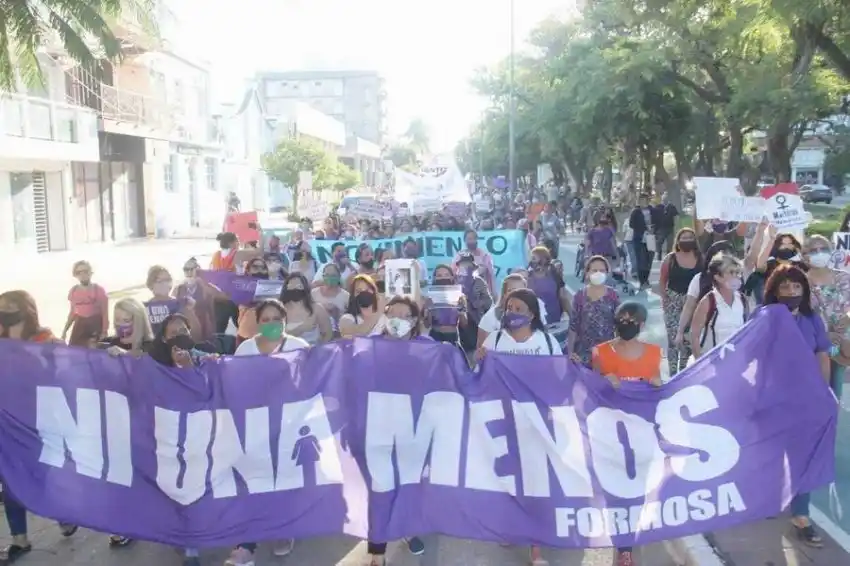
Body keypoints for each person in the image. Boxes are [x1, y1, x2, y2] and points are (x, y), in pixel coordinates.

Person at [0, 290, 79, 563]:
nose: (3, 313)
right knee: (10, 478)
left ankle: (63, 515)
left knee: (45, 475)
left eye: (9, 308)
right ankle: (19, 539)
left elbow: (62, 372)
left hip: (39, 421)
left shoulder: (45, 339)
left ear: (26, 310)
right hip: (7, 423)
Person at [761, 264, 831, 546]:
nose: (791, 291)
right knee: (774, 454)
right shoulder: (764, 318)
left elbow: (823, 354)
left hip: (806, 399)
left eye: (797, 286)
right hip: (773, 399)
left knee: (803, 456)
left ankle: (800, 515)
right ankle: (769, 499)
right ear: (774, 291)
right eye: (785, 287)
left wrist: (824, 392)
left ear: (804, 290)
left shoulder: (813, 319)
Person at [591, 300, 662, 566]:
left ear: (642, 325)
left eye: (632, 320)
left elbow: (659, 389)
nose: (626, 323)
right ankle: (623, 545)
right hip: (610, 434)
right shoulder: (600, 352)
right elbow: (590, 392)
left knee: (638, 490)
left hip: (642, 434)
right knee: (615, 491)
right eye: (622, 317)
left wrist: (657, 384)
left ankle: (629, 538)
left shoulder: (654, 353)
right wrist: (602, 382)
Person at [804, 234, 850, 397]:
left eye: (823, 249)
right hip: (814, 343)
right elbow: (801, 314)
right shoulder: (801, 282)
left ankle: (833, 421)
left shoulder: (844, 277)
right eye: (813, 250)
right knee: (815, 391)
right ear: (805, 256)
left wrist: (847, 319)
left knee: (835, 391)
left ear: (831, 251)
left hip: (842, 341)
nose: (819, 253)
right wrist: (824, 335)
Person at [672, 240, 735, 350]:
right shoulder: (699, 280)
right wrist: (680, 332)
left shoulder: (738, 281)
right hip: (707, 343)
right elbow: (689, 307)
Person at [658, 229, 703, 374]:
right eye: (684, 238)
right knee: (673, 339)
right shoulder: (670, 259)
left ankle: (683, 371)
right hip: (673, 301)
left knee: (688, 338)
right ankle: (672, 371)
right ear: (677, 241)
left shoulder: (700, 259)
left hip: (693, 302)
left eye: (690, 237)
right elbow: (662, 280)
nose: (687, 240)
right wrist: (665, 299)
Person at [689, 254, 749, 359]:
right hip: (712, 363)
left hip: (737, 361)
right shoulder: (708, 301)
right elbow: (694, 335)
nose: (736, 276)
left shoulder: (742, 300)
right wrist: (699, 363)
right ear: (718, 277)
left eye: (737, 272)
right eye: (731, 272)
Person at [478, 288, 562, 357]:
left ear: (531, 315)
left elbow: (560, 371)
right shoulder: (494, 339)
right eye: (509, 308)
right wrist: (480, 359)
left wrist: (573, 364)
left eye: (518, 309)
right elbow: (483, 371)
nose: (512, 312)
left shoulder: (548, 342)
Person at [567, 256, 619, 366]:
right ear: (587, 273)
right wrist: (570, 352)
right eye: (594, 270)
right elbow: (573, 326)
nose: (598, 273)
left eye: (602, 270)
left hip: (607, 352)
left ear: (607, 273)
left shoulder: (613, 295)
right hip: (583, 354)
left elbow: (619, 324)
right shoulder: (580, 296)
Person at [477, 273, 548, 347]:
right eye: (511, 290)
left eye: (521, 290)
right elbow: (482, 348)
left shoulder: (537, 306)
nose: (518, 294)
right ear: (504, 294)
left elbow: (543, 332)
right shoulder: (491, 317)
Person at [61, 260, 109, 346]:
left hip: (95, 325)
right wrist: (65, 331)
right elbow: (73, 313)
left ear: (90, 273)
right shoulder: (74, 291)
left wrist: (104, 332)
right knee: (75, 352)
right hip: (79, 326)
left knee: (95, 353)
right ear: (75, 275)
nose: (83, 275)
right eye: (79, 272)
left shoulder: (99, 290)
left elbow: (105, 313)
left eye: (85, 271)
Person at [280, 273, 333, 345]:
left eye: (299, 286)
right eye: (291, 285)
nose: (295, 288)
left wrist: (319, 349)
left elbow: (328, 334)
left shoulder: (317, 308)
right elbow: (276, 337)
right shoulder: (280, 310)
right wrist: (301, 328)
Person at [425, 264, 468, 346]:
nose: (443, 278)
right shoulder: (429, 296)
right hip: (435, 336)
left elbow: (464, 324)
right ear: (435, 278)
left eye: (446, 275)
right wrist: (428, 310)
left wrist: (461, 310)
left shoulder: (460, 296)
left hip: (452, 336)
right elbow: (427, 325)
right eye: (439, 275)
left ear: (452, 277)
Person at [526, 246, 570, 324]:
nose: (531, 261)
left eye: (534, 258)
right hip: (535, 320)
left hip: (554, 318)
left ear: (543, 259)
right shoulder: (527, 276)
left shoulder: (554, 274)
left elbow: (563, 296)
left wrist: (572, 316)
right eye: (531, 258)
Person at [311, 263, 350, 335]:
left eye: (333, 275)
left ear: (339, 277)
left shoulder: (346, 296)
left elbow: (350, 320)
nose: (329, 278)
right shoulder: (313, 294)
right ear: (323, 276)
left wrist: (336, 313)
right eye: (327, 275)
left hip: (337, 334)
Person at [628, 195, 655, 288]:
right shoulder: (635, 212)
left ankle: (646, 279)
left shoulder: (652, 210)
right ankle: (642, 281)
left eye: (645, 200)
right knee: (641, 260)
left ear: (648, 201)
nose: (643, 202)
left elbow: (658, 220)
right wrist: (643, 228)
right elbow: (631, 224)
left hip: (651, 238)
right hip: (639, 238)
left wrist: (653, 228)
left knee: (649, 260)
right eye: (641, 200)